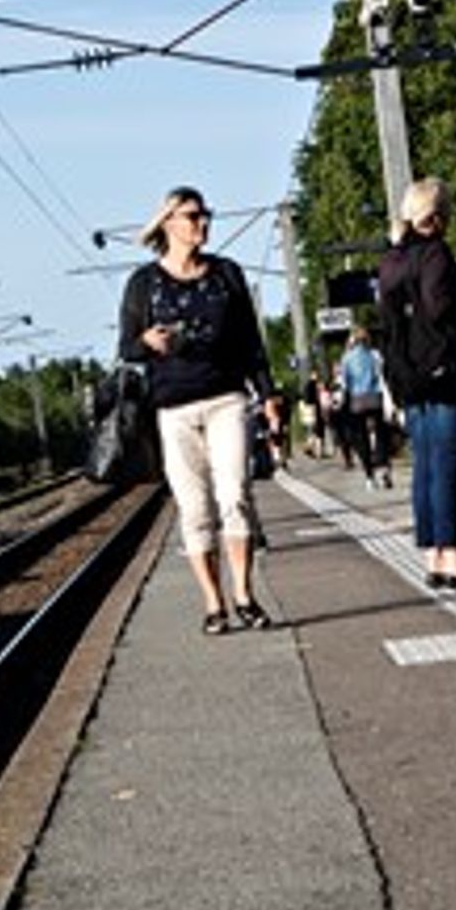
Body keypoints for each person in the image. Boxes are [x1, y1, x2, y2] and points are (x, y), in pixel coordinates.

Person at [119, 186, 284, 634]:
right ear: (168, 223)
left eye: (205, 215)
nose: (202, 223)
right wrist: (147, 343)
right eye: (193, 216)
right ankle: (213, 602)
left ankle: (244, 594)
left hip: (226, 398)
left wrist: (268, 395)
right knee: (194, 509)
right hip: (172, 408)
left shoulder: (227, 274)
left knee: (235, 495)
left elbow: (252, 343)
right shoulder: (143, 284)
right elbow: (126, 348)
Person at [378, 178, 456, 587]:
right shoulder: (436, 254)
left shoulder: (391, 261)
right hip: (445, 374)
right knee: (448, 466)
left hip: (409, 379)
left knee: (425, 466)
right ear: (437, 215)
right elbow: (439, 308)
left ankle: (432, 553)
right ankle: (452, 554)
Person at [337, 328, 393, 488]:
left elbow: (344, 383)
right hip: (375, 398)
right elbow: (382, 376)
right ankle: (384, 467)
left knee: (361, 437)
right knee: (382, 432)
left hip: (357, 400)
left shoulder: (346, 358)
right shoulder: (375, 355)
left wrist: (341, 401)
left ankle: (369, 475)